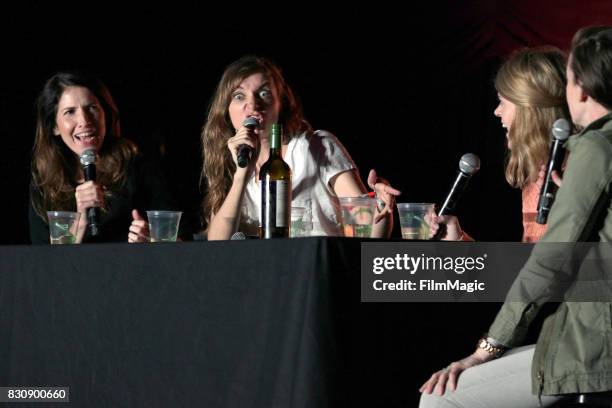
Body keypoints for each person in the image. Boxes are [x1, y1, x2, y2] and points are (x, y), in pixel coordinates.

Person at [419, 26, 612, 407]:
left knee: (440, 400)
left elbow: (547, 272)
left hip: (588, 342)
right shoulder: (548, 171)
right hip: (563, 331)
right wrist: (462, 244)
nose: (496, 112)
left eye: (502, 101)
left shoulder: (586, 154)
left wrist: (485, 349)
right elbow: (532, 270)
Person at [200, 56, 400, 240]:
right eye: (239, 96)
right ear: (226, 110)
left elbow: (370, 230)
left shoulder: (317, 147)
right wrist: (242, 176)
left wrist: (381, 205)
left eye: (264, 92)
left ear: (281, 103)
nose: (252, 104)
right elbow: (217, 246)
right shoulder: (231, 165)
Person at [433, 47, 570, 243]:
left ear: (528, 110)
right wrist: (459, 240)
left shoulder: (573, 175)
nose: (497, 112)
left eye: (502, 102)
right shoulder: (536, 177)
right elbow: (528, 266)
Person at [29, 71, 177, 244]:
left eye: (91, 108)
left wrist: (152, 240)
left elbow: (180, 242)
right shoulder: (44, 183)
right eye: (70, 112)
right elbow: (40, 264)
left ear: (105, 115)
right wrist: (81, 222)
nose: (84, 120)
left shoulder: (137, 165)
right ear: (54, 126)